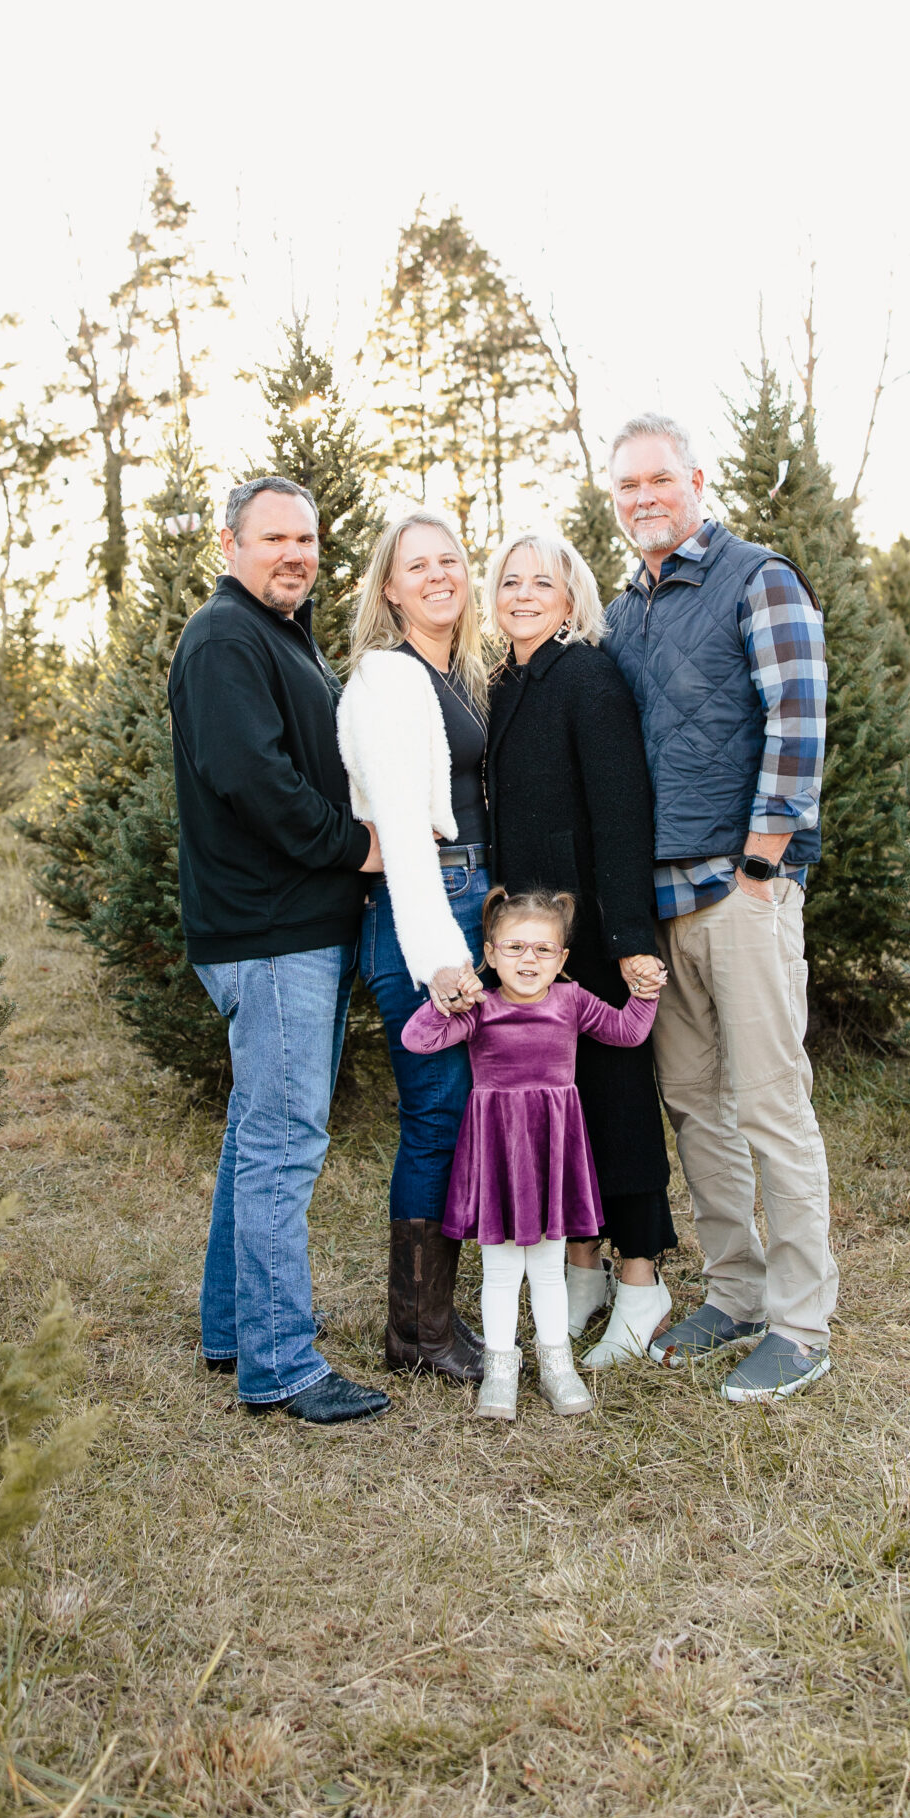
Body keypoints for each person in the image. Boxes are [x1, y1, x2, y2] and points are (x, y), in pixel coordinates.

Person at [603, 412, 839, 1405]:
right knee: (695, 1104)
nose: (644, 498)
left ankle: (800, 1323)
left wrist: (759, 868)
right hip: (659, 910)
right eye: (626, 486)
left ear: (695, 481)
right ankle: (736, 1293)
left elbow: (798, 720)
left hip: (738, 894)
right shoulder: (621, 611)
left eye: (659, 478)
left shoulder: (757, 578)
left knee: (770, 1103)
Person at [168, 473, 389, 1428]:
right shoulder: (226, 637)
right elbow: (250, 778)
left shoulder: (278, 632)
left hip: (290, 927)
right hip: (269, 931)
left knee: (255, 1133)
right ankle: (281, 1364)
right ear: (229, 545)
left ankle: (233, 1328)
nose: (295, 554)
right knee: (282, 1144)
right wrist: (355, 847)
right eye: (274, 539)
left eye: (306, 539)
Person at [483, 528, 677, 1368]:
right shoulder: (501, 683)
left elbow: (621, 813)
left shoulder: (588, 676)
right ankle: (583, 1267)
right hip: (527, 940)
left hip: (590, 934)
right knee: (560, 1107)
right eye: (510, 581)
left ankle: (641, 1278)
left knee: (615, 1097)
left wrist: (629, 937)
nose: (523, 595)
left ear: (570, 598)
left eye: (541, 582)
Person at [402, 889, 663, 1423]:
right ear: (490, 954)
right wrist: (446, 998)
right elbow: (416, 1040)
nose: (529, 959)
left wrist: (646, 991)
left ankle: (555, 1365)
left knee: (547, 1266)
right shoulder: (482, 1008)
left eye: (543, 950)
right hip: (498, 1150)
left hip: (552, 1151)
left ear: (562, 958)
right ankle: (501, 1367)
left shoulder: (571, 1001)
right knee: (500, 1269)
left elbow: (627, 1031)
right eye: (515, 947)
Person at [337, 511, 492, 1385]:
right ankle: (417, 1331)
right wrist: (438, 957)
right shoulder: (388, 678)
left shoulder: (461, 674)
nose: (438, 576)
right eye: (417, 566)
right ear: (389, 589)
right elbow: (398, 826)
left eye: (449, 560)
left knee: (458, 1113)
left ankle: (433, 1316)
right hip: (420, 909)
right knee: (436, 1114)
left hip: (469, 899)